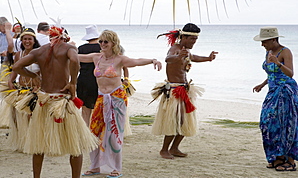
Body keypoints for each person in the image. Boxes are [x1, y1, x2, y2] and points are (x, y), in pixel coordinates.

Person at [12, 24, 98, 178]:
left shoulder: (39, 51)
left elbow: (17, 66)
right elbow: (75, 62)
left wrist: (34, 77)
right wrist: (73, 83)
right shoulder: (68, 48)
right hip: (62, 100)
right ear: (64, 36)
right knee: (75, 144)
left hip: (44, 100)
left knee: (39, 144)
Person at [79, 29, 162, 178]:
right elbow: (76, 57)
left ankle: (115, 168)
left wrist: (152, 60)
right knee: (94, 131)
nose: (103, 44)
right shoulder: (95, 57)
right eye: (101, 41)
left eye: (106, 41)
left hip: (116, 98)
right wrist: (60, 46)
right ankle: (94, 166)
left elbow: (136, 61)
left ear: (113, 43)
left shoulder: (119, 59)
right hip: (100, 98)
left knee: (114, 133)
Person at [152, 23, 217, 159]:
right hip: (174, 90)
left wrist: (208, 58)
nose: (194, 42)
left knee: (185, 121)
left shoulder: (186, 50)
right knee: (175, 120)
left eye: (195, 40)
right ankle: (164, 150)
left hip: (184, 89)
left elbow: (194, 57)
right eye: (192, 39)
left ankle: (174, 148)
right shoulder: (175, 49)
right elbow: (168, 59)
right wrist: (178, 56)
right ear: (183, 37)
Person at [253, 26, 298, 171]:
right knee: (266, 123)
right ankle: (276, 157)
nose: (262, 44)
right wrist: (262, 84)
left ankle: (289, 161)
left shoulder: (285, 52)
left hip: (286, 91)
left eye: (264, 41)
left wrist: (277, 63)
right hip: (272, 91)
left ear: (273, 39)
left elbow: (290, 73)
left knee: (286, 125)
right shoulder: (269, 51)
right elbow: (270, 73)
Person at [77, 24, 101, 126]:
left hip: (83, 80)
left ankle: (85, 133)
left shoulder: (81, 48)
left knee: (85, 110)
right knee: (98, 109)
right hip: (98, 80)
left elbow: (77, 67)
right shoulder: (102, 48)